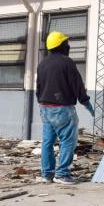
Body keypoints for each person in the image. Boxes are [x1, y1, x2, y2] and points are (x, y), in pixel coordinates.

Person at [36, 31, 95, 185]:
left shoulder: (42, 64)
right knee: (68, 141)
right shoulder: (67, 62)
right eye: (66, 43)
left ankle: (46, 174)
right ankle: (62, 174)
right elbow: (77, 84)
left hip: (45, 108)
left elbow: (38, 87)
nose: (68, 46)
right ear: (61, 45)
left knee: (47, 142)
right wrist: (86, 102)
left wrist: (43, 102)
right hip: (62, 108)